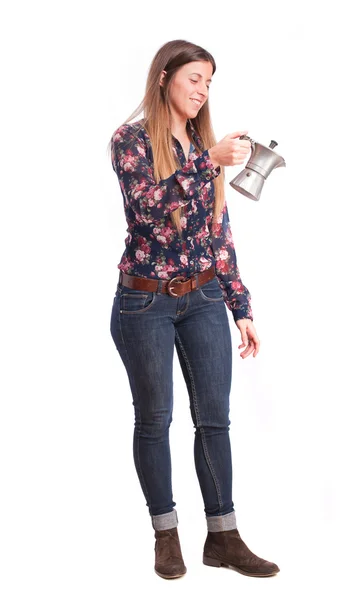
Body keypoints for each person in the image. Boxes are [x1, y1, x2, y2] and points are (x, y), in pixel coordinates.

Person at [108, 39, 279, 580]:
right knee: (155, 419)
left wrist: (241, 306)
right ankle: (166, 536)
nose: (203, 93)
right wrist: (209, 162)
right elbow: (149, 213)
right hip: (144, 300)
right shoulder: (130, 140)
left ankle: (223, 537)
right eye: (194, 80)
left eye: (209, 83)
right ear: (164, 78)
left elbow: (219, 234)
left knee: (215, 419)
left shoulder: (205, 147)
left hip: (203, 295)